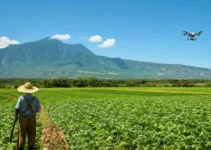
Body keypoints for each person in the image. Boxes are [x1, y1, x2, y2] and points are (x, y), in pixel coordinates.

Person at [15, 82, 41, 150]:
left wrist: (15, 117)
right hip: (32, 119)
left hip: (23, 119)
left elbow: (17, 108)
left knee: (21, 134)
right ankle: (31, 147)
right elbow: (38, 109)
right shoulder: (36, 99)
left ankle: (20, 147)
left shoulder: (21, 98)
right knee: (32, 134)